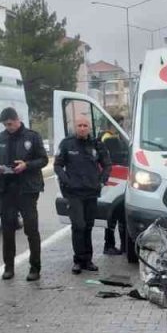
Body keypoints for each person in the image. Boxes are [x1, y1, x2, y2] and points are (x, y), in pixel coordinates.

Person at [0, 107, 48, 281]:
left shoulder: (32, 136)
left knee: (31, 229)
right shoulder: (2, 136)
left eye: (10, 124)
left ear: (17, 120)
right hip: (6, 189)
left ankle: (35, 267)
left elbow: (44, 159)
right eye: (5, 125)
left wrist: (27, 165)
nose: (8, 127)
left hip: (27, 189)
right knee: (7, 230)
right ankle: (8, 267)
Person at [55, 116, 111, 273]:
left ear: (89, 128)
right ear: (75, 127)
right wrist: (66, 181)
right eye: (79, 125)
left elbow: (107, 164)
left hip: (91, 192)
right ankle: (78, 260)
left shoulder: (97, 144)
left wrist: (102, 180)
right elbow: (58, 165)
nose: (82, 128)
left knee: (88, 226)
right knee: (78, 225)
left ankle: (88, 260)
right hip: (74, 193)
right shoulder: (67, 144)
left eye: (85, 125)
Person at [100, 117, 129, 255]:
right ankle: (110, 245)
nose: (122, 126)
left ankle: (123, 245)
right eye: (120, 124)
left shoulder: (116, 137)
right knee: (114, 216)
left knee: (119, 215)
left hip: (118, 178)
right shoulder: (108, 138)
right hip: (114, 179)